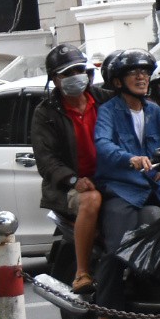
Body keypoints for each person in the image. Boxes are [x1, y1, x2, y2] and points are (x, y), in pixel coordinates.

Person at [88, 49, 160, 319]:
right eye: (134, 73)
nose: (142, 77)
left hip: (155, 187)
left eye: (145, 72)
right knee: (120, 247)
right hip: (122, 189)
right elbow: (102, 143)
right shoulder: (109, 112)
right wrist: (128, 158)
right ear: (118, 82)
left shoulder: (154, 110)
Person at [30, 45, 111, 294]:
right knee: (91, 199)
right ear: (55, 79)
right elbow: (46, 160)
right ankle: (82, 272)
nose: (76, 76)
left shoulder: (106, 99)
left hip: (112, 177)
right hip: (71, 187)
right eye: (67, 73)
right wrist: (74, 180)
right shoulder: (46, 113)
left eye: (79, 70)